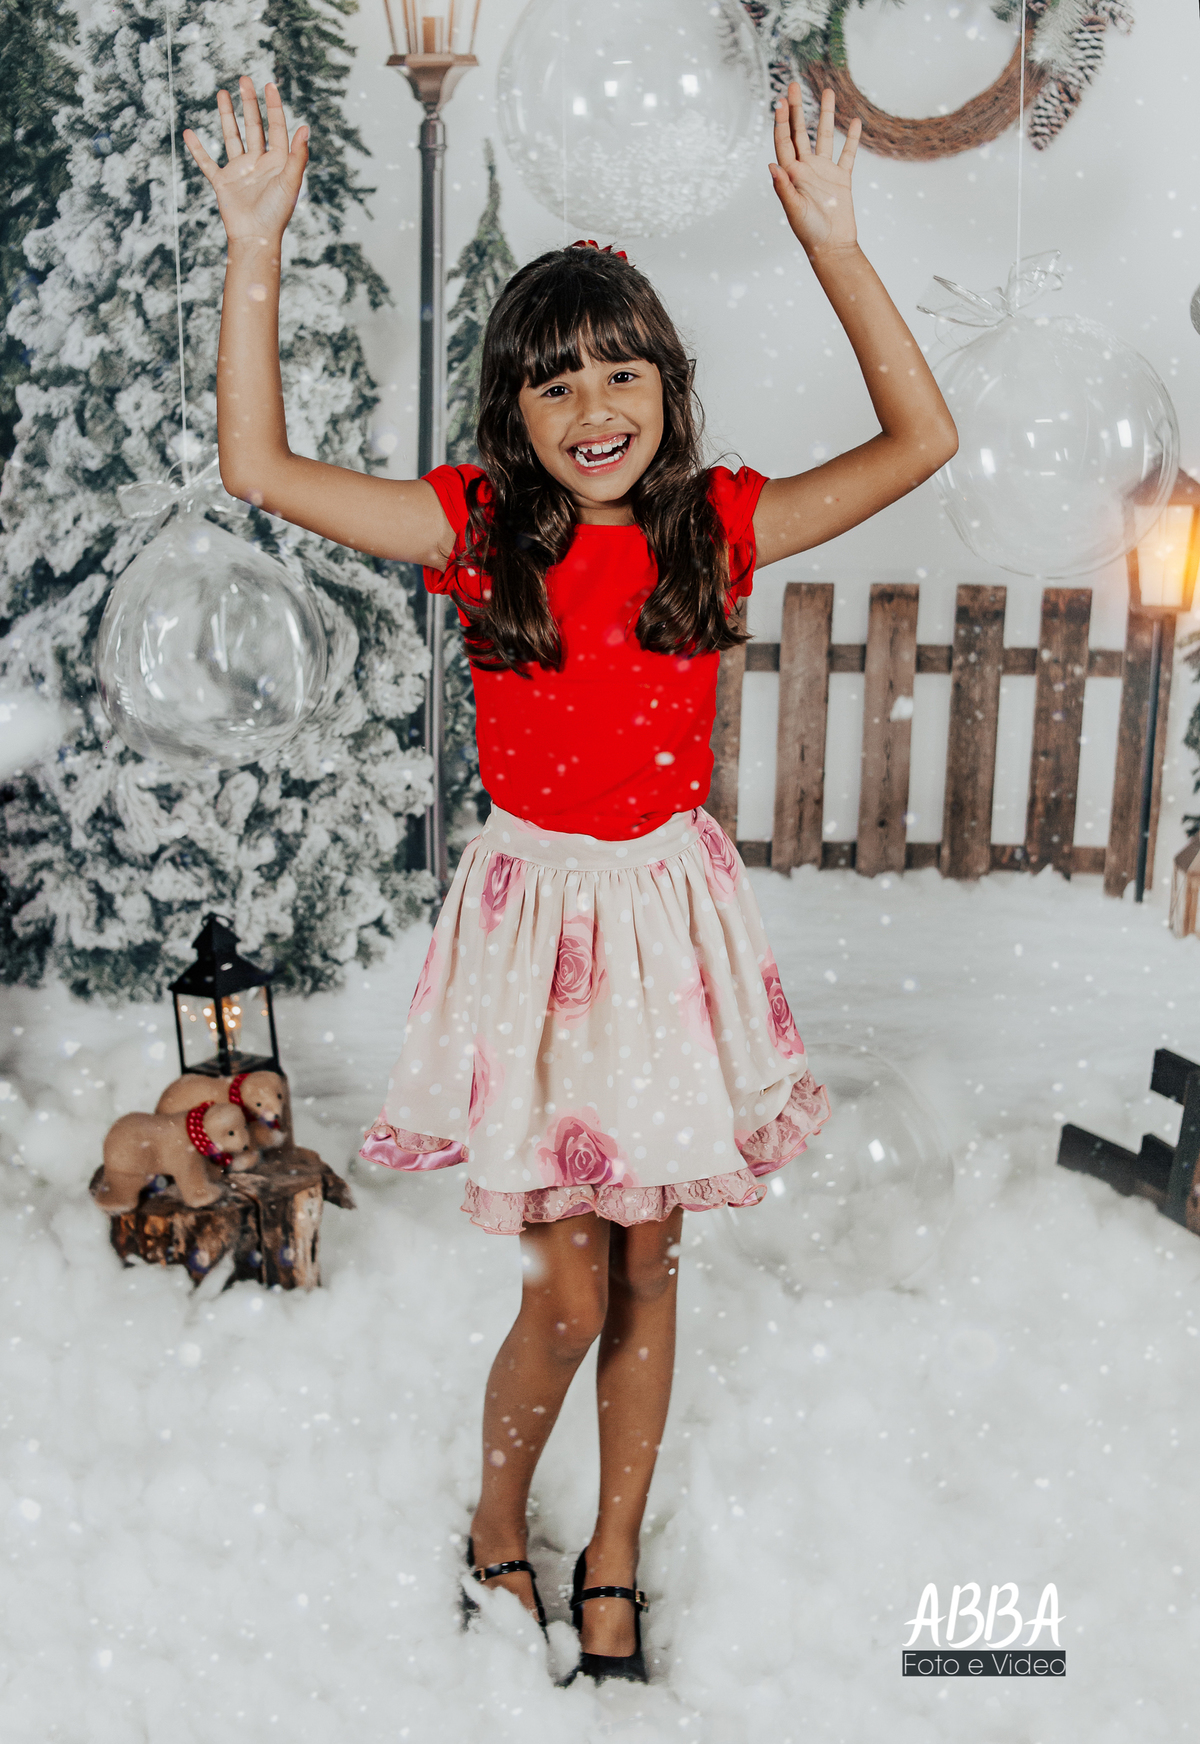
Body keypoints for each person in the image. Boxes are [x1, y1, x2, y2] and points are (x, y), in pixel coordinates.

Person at [184, 77, 957, 1685]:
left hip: (668, 926)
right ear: (513, 414)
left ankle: (610, 1552)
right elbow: (257, 465)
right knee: (567, 1292)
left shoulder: (716, 526)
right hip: (542, 939)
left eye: (622, 370)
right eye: (556, 384)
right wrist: (256, 242)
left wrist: (833, 239)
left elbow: (924, 442)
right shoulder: (477, 531)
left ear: (667, 384)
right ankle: (494, 1517)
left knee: (651, 1266)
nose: (595, 407)